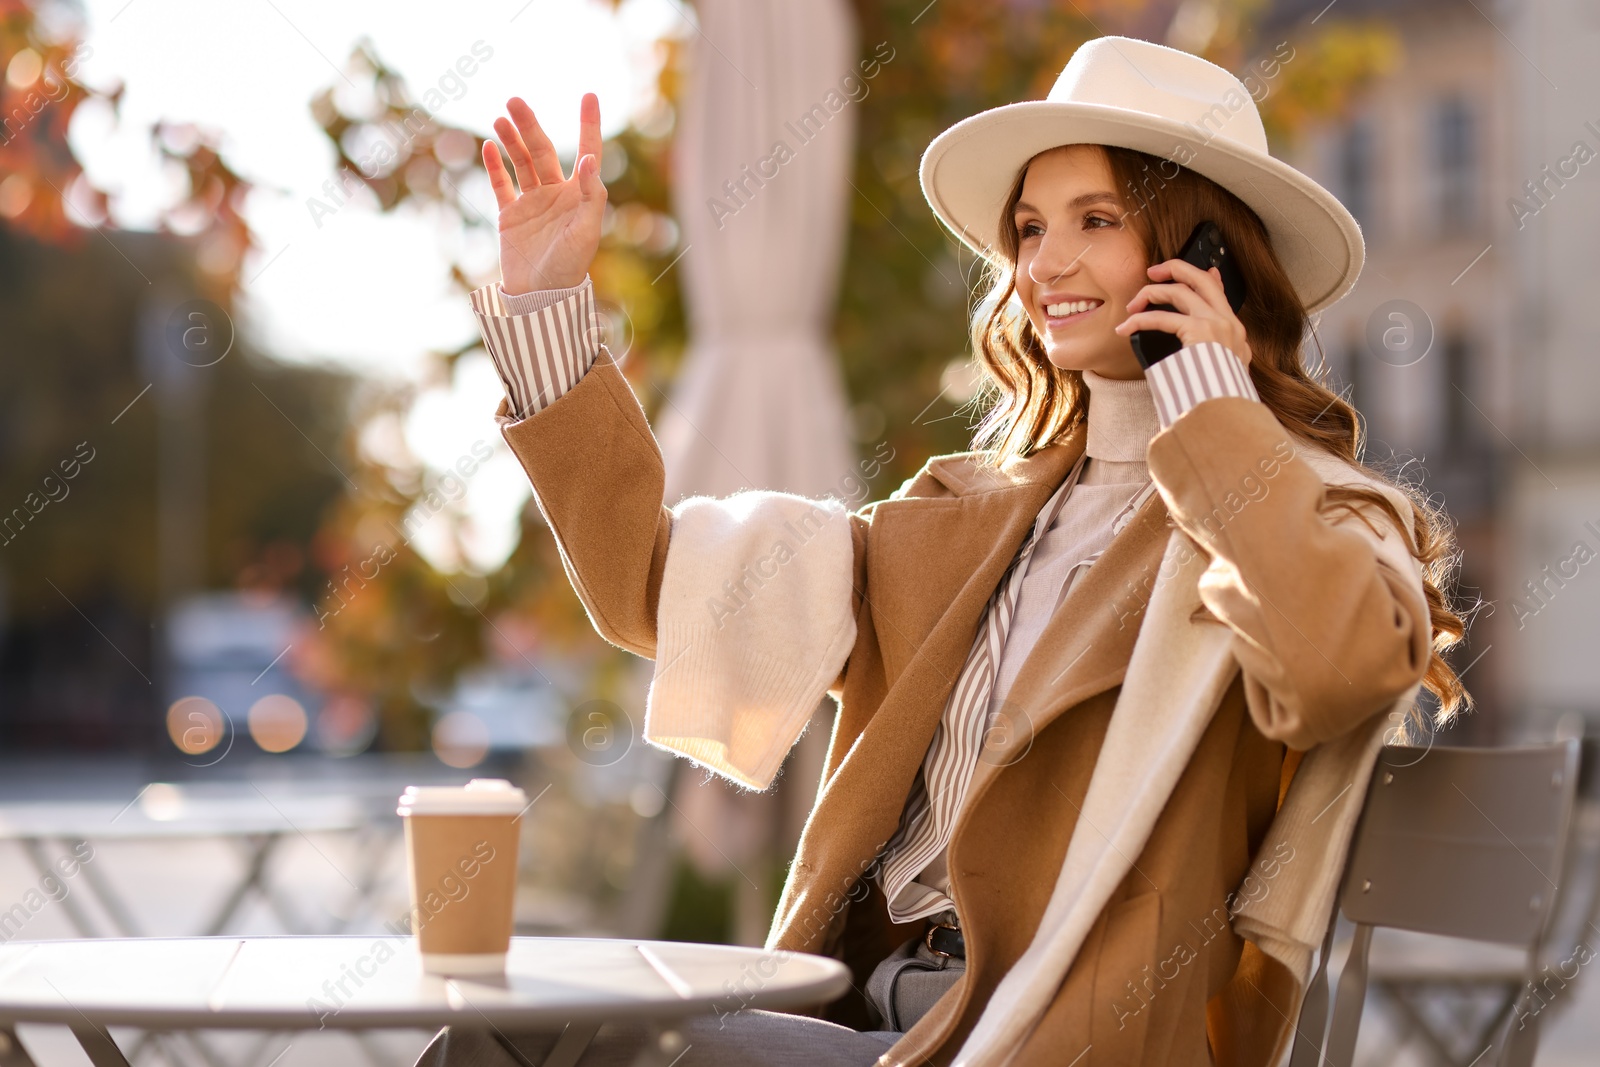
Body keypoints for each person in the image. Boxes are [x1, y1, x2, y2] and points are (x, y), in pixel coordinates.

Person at [414, 34, 1470, 1067]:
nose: (1043, 262)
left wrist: (1211, 410)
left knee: (576, 1042)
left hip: (1058, 1032)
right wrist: (550, 305)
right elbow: (651, 582)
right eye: (1026, 227)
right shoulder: (958, 516)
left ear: (1207, 254)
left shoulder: (1310, 511)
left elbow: (1335, 664)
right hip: (858, 1012)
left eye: (1096, 220)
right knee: (505, 1027)